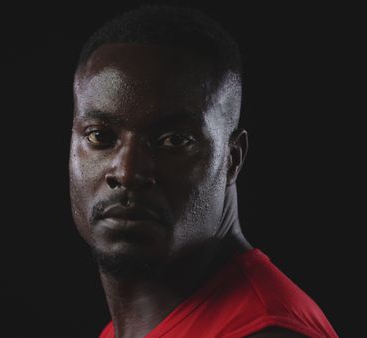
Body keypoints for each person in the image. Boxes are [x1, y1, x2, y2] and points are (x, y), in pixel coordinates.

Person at [68, 5, 338, 338]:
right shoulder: (127, 330)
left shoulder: (264, 330)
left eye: (172, 140)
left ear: (232, 158)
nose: (126, 171)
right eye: (100, 136)